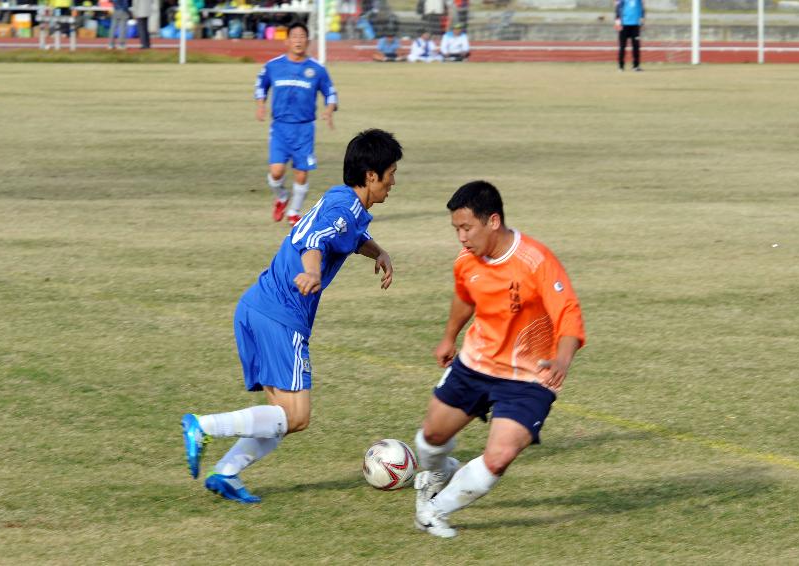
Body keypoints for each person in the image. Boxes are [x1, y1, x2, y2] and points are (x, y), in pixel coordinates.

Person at [181, 129, 403, 504]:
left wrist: (378, 251)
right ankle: (203, 427)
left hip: (256, 306)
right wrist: (313, 272)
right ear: (371, 176)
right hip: (281, 316)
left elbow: (346, 236)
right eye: (391, 172)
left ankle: (226, 474)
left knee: (280, 417)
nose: (394, 182)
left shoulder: (342, 200)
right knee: (297, 417)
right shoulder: (343, 210)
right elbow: (316, 240)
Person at [412, 181, 586, 538]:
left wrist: (563, 360)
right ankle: (438, 471)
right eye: (456, 229)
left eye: (466, 228)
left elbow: (568, 312)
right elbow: (465, 297)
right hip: (475, 365)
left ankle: (434, 511)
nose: (461, 237)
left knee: (500, 454)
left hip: (527, 379)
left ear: (493, 221)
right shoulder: (466, 261)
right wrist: (449, 337)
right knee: (429, 439)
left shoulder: (535, 261)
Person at [255, 22, 338, 227]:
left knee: (301, 173)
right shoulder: (273, 66)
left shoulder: (317, 69)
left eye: (302, 37)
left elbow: (331, 93)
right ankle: (282, 196)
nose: (298, 40)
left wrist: (329, 110)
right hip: (280, 127)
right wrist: (260, 105)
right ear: (287, 41)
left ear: (308, 41)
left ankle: (294, 212)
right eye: (295, 36)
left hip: (304, 129)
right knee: (276, 172)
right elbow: (261, 85)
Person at [615, 0, 645, 71]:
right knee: (622, 46)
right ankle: (621, 66)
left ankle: (636, 66)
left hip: (635, 25)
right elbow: (617, 9)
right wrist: (618, 23)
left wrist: (642, 22)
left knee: (636, 46)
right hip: (624, 24)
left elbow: (642, 9)